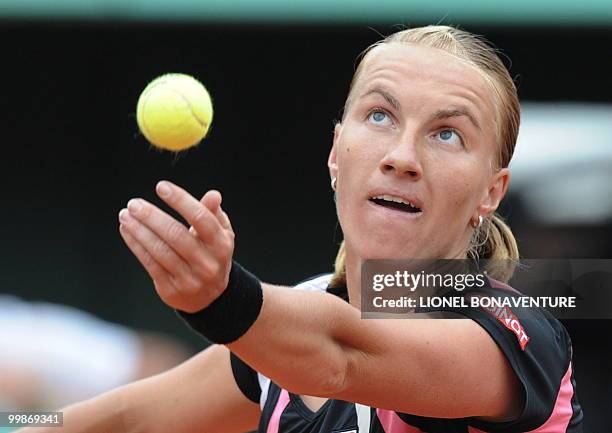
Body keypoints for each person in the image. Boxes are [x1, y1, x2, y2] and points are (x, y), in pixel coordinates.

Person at [18, 25, 583, 433]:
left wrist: (221, 300)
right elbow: (122, 418)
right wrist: (20, 419)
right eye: (380, 116)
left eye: (447, 134)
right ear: (337, 152)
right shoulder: (281, 340)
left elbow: (340, 355)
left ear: (492, 191)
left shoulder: (512, 332)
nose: (401, 156)